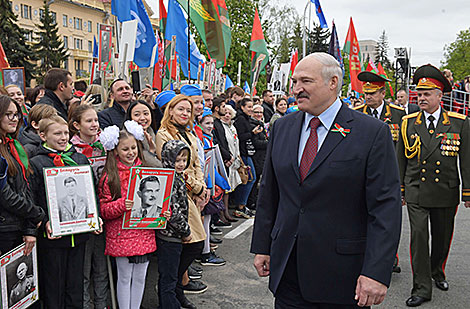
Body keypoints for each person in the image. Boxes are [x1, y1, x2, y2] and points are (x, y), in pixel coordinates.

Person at [251, 52, 402, 308]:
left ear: (333, 82)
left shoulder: (371, 132)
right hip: (288, 268)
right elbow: (270, 192)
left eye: (305, 82)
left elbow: (385, 208)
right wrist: (262, 245)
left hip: (342, 276)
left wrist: (376, 271)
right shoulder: (282, 127)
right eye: (294, 81)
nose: (296, 89)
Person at [396, 64, 470, 307]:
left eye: (427, 94)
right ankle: (421, 286)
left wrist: (468, 191)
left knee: (442, 237)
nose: (422, 98)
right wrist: (401, 189)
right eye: (419, 93)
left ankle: (437, 271)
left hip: (445, 189)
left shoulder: (459, 123)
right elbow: (401, 159)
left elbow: (466, 160)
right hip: (416, 188)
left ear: (440, 96)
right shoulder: (408, 122)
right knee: (418, 236)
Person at [29, 115, 97, 308]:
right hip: (52, 238)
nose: (63, 137)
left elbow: (91, 189)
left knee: (75, 285)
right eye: (57, 133)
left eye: (66, 132)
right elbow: (33, 197)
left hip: (79, 235)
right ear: (43, 135)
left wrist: (95, 215)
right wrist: (44, 221)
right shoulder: (37, 162)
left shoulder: (79, 158)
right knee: (53, 285)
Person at [155, 95, 208, 307]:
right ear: (170, 111)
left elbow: (195, 163)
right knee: (193, 242)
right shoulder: (164, 133)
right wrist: (196, 187)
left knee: (194, 243)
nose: (185, 113)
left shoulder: (190, 132)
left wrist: (202, 188)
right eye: (180, 109)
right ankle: (172, 290)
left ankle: (176, 289)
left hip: (194, 191)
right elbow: (174, 168)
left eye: (188, 110)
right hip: (180, 192)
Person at [98, 124, 156, 309]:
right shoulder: (110, 176)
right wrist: (122, 205)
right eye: (125, 149)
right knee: (124, 276)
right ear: (115, 150)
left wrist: (161, 212)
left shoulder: (147, 172)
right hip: (120, 234)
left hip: (143, 231)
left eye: (133, 148)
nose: (130, 152)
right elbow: (104, 210)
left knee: (140, 276)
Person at [0, 95, 44, 257]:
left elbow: (24, 188)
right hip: (5, 229)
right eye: (8, 114)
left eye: (16, 114)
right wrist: (35, 213)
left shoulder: (14, 145)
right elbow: (5, 195)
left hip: (17, 225)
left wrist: (30, 227)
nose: (14, 119)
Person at [157, 140, 192, 309]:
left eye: (184, 160)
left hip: (173, 236)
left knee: (170, 275)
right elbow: (173, 212)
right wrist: (185, 231)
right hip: (169, 236)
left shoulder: (176, 176)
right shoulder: (168, 179)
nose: (181, 164)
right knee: (168, 278)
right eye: (177, 160)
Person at [354, 71, 405, 145]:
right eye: (366, 93)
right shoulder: (356, 113)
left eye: (372, 93)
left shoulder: (398, 113)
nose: (368, 97)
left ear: (383, 93)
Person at [233, 98, 259, 219]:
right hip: (243, 153)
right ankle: (240, 206)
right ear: (242, 107)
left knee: (249, 179)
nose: (251, 109)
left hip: (247, 152)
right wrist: (252, 133)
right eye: (248, 107)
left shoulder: (246, 118)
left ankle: (242, 205)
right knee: (249, 178)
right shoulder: (240, 119)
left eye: (252, 107)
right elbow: (240, 137)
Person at [124, 100, 162, 167]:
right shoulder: (126, 139)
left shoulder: (153, 132)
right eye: (137, 115)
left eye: (146, 114)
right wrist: (151, 152)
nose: (142, 118)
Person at [248, 104, 268, 210]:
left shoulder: (260, 123)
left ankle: (253, 201)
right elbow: (256, 143)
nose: (259, 114)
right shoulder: (253, 125)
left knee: (257, 179)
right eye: (256, 112)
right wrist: (269, 143)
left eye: (261, 112)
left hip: (261, 156)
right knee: (254, 180)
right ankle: (251, 202)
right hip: (256, 155)